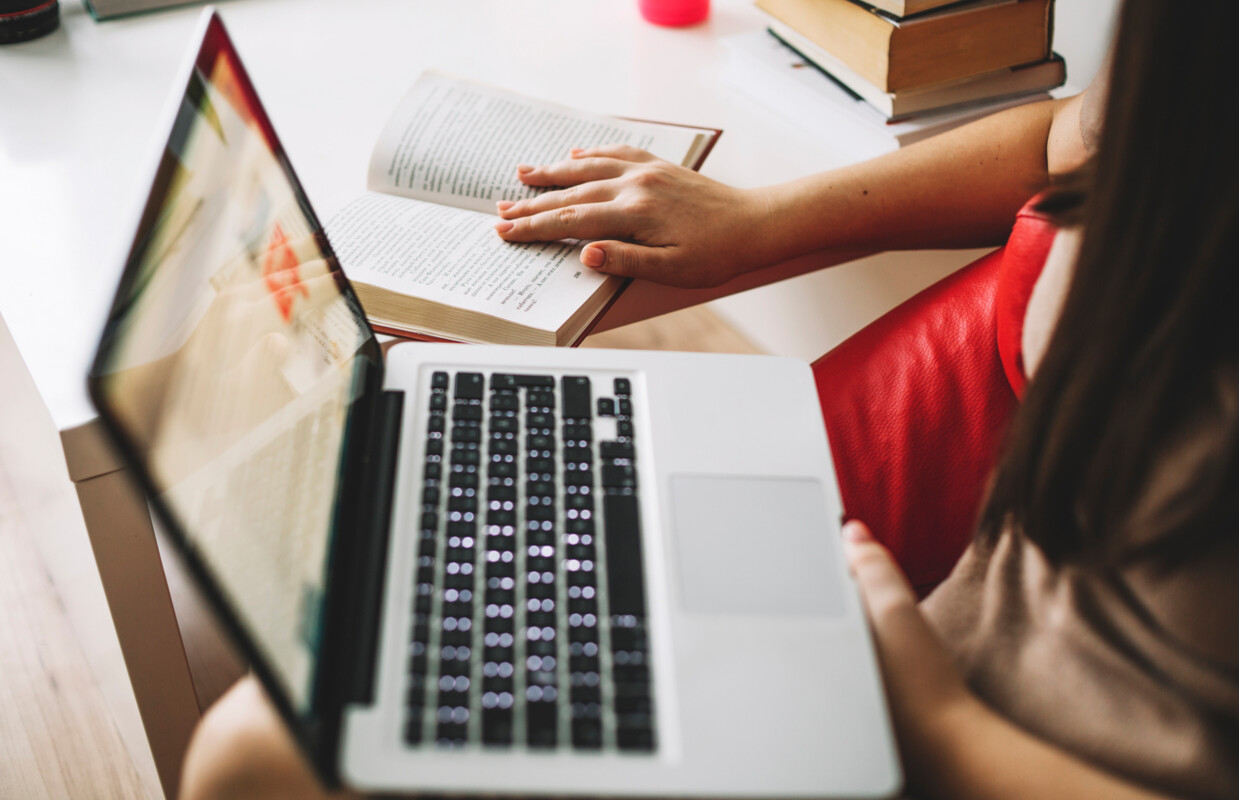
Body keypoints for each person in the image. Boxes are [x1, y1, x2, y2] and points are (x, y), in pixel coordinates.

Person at [181, 0, 1239, 797]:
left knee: (257, 752)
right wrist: (757, 222)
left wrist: (933, 719)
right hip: (911, 618)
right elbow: (1072, 140)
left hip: (950, 730)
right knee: (336, 633)